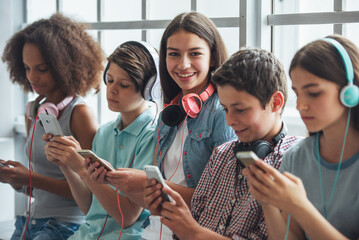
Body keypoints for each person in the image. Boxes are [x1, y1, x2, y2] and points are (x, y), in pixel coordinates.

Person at [100, 12, 236, 239]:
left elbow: (219, 203)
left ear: (212, 57)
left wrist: (149, 183)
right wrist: (117, 183)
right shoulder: (168, 115)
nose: (183, 64)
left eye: (194, 54)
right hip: (154, 233)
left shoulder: (223, 113)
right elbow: (154, 205)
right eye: (174, 54)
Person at [145, 48, 302, 239]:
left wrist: (193, 233)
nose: (229, 121)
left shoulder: (292, 163)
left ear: (275, 103)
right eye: (226, 109)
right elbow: (195, 217)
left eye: (240, 110)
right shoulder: (222, 154)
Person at [0, 13, 103, 239]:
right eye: (27, 68)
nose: (32, 77)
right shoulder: (34, 111)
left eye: (42, 68)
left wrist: (30, 178)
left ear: (64, 65)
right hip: (29, 221)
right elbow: (39, 186)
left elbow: (92, 192)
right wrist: (15, 179)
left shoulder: (80, 114)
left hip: (65, 226)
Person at [245, 35, 359, 240]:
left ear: (350, 92)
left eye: (313, 93)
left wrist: (299, 206)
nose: (300, 106)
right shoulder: (296, 157)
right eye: (298, 94)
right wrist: (267, 202)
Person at [44, 41, 159, 239]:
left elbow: (128, 217)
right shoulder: (104, 133)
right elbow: (90, 207)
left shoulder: (152, 135)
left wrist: (81, 168)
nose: (112, 90)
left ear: (149, 89)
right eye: (110, 80)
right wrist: (65, 164)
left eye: (123, 85)